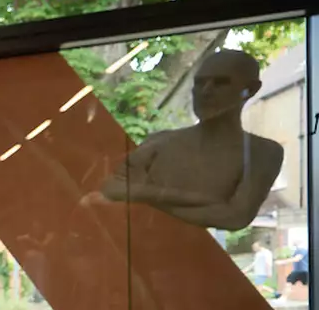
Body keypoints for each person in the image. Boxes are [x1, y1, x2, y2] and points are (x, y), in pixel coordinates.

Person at [83, 49, 282, 230]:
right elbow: (111, 187)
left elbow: (233, 217)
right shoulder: (160, 142)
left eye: (220, 83)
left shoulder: (263, 152)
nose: (206, 91)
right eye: (200, 82)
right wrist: (194, 199)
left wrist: (145, 197)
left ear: (250, 89)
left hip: (194, 261)